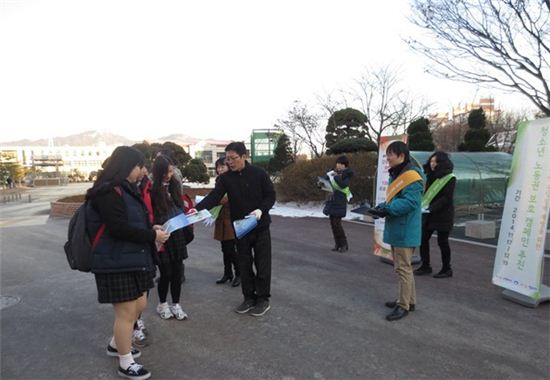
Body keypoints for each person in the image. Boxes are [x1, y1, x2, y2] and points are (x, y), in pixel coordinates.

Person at [86, 146, 170, 380]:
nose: (142, 171)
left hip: (133, 257)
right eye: (138, 166)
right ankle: (125, 362)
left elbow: (133, 222)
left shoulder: (127, 189)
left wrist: (150, 228)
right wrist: (152, 236)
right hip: (114, 260)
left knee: (140, 303)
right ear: (125, 166)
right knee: (126, 313)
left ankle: (116, 344)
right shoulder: (107, 192)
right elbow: (118, 228)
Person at [195, 142, 276, 317]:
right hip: (240, 227)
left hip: (260, 225)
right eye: (227, 159)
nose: (230, 163)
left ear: (244, 156)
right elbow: (215, 196)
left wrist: (261, 210)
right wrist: (198, 208)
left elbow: (271, 196)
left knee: (262, 263)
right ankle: (248, 297)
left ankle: (262, 299)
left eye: (233, 158)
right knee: (244, 263)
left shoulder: (259, 174)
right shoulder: (226, 178)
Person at [369, 141, 424, 322]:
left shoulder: (411, 177)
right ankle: (409, 300)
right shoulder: (399, 175)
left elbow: (410, 203)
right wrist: (381, 208)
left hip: (405, 230)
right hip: (399, 228)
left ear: (401, 156)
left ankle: (403, 306)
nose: (387, 159)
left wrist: (388, 210)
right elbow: (394, 200)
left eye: (390, 155)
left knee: (403, 269)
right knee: (403, 268)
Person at [150, 155, 189, 321]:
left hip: (177, 233)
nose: (169, 174)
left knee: (177, 272)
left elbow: (180, 207)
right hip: (163, 235)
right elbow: (153, 214)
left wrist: (188, 213)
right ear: (159, 172)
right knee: (166, 272)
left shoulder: (174, 186)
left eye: (171, 171)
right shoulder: (152, 190)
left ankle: (176, 304)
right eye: (166, 172)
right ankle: (162, 303)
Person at [414, 151, 456, 278]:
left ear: (442, 163)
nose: (432, 164)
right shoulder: (430, 176)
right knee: (423, 239)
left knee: (442, 242)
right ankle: (425, 265)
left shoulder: (450, 178)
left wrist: (431, 208)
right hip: (429, 214)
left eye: (435, 161)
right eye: (431, 161)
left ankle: (446, 268)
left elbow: (446, 198)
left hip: (443, 215)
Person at [132, 165, 153, 347]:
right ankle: (133, 327)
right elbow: (122, 227)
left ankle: (136, 322)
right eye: (139, 167)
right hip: (131, 251)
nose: (143, 171)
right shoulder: (117, 191)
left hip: (146, 245)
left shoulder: (147, 186)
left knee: (143, 293)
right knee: (131, 300)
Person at [212, 157, 240, 287]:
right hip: (221, 219)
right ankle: (227, 273)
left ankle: (239, 274)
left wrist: (212, 200)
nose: (219, 169)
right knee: (224, 248)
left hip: (230, 219)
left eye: (222, 166)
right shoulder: (219, 181)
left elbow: (224, 198)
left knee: (231, 249)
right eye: (218, 167)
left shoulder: (233, 180)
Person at [322, 155, 353, 252]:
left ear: (345, 166)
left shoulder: (347, 174)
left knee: (337, 224)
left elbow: (343, 185)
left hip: (340, 201)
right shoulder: (331, 173)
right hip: (332, 200)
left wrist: (335, 177)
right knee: (332, 223)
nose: (339, 165)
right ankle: (337, 244)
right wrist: (321, 183)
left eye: (341, 164)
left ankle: (344, 244)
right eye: (338, 163)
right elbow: (324, 181)